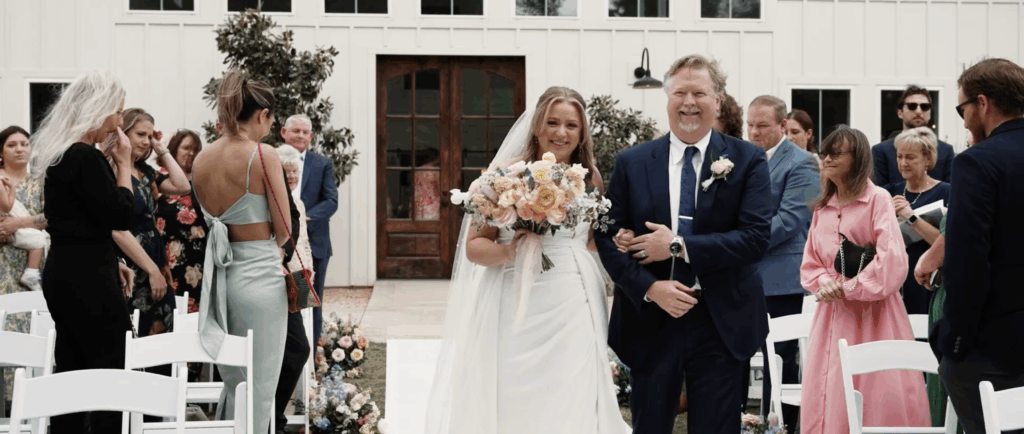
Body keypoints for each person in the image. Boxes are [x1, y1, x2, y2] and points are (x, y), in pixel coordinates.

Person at [424, 86, 630, 434]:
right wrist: (510, 251)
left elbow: (592, 242)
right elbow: (475, 247)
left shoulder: (590, 177)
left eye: (571, 125)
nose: (560, 133)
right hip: (514, 293)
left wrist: (619, 241)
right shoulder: (504, 175)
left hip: (573, 298)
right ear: (537, 125)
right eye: (552, 122)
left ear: (581, 133)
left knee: (571, 382)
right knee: (513, 382)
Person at [596, 54, 774, 434]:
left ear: (718, 100)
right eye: (680, 92)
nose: (689, 102)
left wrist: (677, 246)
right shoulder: (632, 162)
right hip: (651, 319)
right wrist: (650, 288)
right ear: (667, 98)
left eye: (699, 93)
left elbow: (756, 238)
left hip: (721, 318)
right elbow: (608, 238)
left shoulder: (747, 160)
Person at [799, 126, 929, 434]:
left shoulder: (878, 200)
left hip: (876, 316)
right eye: (824, 152)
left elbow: (893, 262)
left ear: (857, 158)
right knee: (829, 390)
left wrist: (846, 288)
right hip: (831, 316)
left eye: (836, 153)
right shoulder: (823, 207)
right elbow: (810, 263)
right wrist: (823, 283)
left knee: (878, 394)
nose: (826, 158)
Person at [30, 70, 137, 434]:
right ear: (98, 108)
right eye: (117, 112)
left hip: (66, 269)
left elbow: (82, 220)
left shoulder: (62, 154)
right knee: (110, 365)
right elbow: (121, 213)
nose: (120, 122)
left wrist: (114, 259)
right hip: (87, 274)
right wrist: (124, 164)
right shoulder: (84, 156)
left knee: (73, 366)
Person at [192, 70, 290, 433]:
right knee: (261, 385)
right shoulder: (263, 155)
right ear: (262, 115)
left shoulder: (202, 158)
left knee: (234, 379)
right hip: (260, 279)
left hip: (220, 277)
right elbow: (284, 228)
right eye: (271, 117)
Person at [931, 58, 1024, 434]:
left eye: (963, 109)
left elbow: (969, 262)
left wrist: (951, 341)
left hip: (993, 349)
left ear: (982, 104)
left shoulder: (978, 162)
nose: (964, 120)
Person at [747, 95, 820, 428]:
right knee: (740, 352)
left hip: (782, 276)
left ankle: (787, 423)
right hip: (743, 274)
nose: (754, 132)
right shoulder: (744, 157)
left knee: (783, 355)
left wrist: (741, 243)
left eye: (762, 126)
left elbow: (791, 220)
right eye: (750, 125)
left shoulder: (803, 162)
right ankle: (750, 418)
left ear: (782, 126)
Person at [104, 108, 191, 340]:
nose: (146, 141)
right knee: (132, 334)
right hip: (129, 260)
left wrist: (161, 149)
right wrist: (150, 269)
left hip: (155, 257)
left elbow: (183, 186)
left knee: (162, 331)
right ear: (123, 134)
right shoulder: (110, 172)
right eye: (141, 134)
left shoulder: (146, 172)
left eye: (150, 136)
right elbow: (116, 228)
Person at [0, 125, 47, 413]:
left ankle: (30, 400)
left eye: (24, 143)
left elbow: (51, 217)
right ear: (1, 152)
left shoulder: (40, 183)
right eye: (12, 144)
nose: (20, 148)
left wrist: (18, 224)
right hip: (3, 265)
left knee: (31, 329)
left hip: (35, 267)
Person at [280, 114, 337, 345]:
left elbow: (331, 201)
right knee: (282, 303)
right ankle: (286, 355)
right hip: (280, 247)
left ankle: (310, 360)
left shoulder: (322, 163)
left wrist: (303, 219)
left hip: (313, 246)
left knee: (309, 301)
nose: (301, 136)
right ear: (284, 133)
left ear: (311, 137)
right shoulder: (272, 159)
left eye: (305, 132)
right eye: (296, 131)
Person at [881, 127, 950, 316]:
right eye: (900, 156)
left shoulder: (946, 192)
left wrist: (910, 217)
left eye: (910, 157)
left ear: (927, 159)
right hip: (896, 282)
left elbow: (947, 242)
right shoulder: (888, 193)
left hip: (928, 279)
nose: (903, 163)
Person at [274, 142, 313, 434]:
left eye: (294, 172)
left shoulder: (296, 202)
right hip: (278, 275)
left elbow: (303, 245)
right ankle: (275, 418)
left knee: (299, 348)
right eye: (286, 173)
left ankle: (278, 416)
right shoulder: (275, 198)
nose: (291, 178)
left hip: (297, 277)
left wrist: (305, 278)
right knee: (290, 348)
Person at [155, 129, 208, 315]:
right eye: (186, 148)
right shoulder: (160, 179)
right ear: (174, 149)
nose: (191, 153)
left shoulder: (203, 180)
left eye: (195, 149)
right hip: (169, 256)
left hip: (200, 258)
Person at [872, 85, 955, 186]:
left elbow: (950, 191)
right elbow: (879, 191)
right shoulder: (881, 151)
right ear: (900, 113)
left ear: (930, 113)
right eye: (912, 106)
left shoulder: (945, 150)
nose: (919, 111)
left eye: (925, 107)